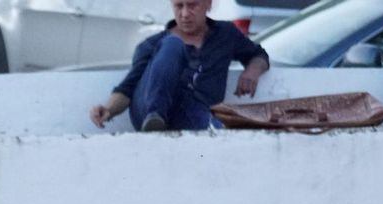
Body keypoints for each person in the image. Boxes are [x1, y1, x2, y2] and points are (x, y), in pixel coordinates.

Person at [89, 0, 268, 133]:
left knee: (224, 132)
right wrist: (109, 110)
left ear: (208, 4)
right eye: (179, 6)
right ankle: (155, 121)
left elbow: (259, 55)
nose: (184, 14)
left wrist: (252, 72)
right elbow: (127, 88)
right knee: (173, 44)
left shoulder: (226, 34)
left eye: (192, 5)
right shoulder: (152, 44)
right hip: (148, 112)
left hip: (196, 110)